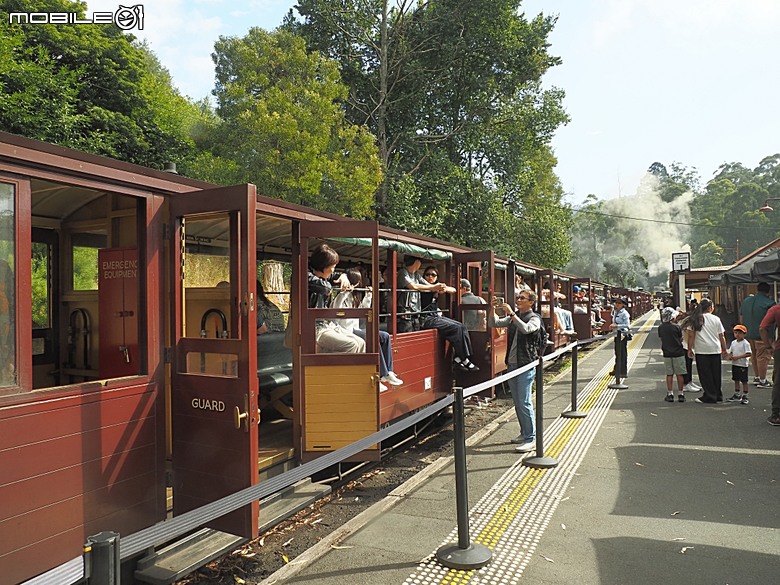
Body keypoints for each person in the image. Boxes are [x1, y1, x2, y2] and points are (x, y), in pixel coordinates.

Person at [396, 257, 479, 372]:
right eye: (428, 274)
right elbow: (414, 286)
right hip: (418, 317)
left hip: (422, 316)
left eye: (433, 275)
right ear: (417, 262)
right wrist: (434, 287)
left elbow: (450, 289)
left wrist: (441, 287)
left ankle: (462, 358)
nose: (430, 277)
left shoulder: (417, 276)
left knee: (461, 326)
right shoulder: (403, 273)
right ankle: (462, 359)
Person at [489, 290, 543, 453]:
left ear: (531, 302)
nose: (518, 300)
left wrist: (512, 314)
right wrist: (492, 309)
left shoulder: (534, 318)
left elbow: (527, 329)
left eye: (522, 298)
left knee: (524, 402)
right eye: (517, 297)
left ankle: (531, 438)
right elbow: (494, 323)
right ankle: (524, 432)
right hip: (512, 365)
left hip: (525, 364)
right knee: (518, 402)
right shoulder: (514, 317)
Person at [332, 267, 404, 391]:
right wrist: (344, 292)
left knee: (385, 336)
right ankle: (382, 374)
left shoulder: (354, 297)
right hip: (344, 330)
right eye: (356, 281)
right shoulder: (341, 296)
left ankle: (389, 372)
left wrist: (368, 295)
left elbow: (363, 312)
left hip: (355, 328)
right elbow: (336, 309)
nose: (358, 284)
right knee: (373, 337)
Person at [308, 242, 366, 354]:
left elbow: (336, 275)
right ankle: (335, 370)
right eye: (333, 267)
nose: (333, 270)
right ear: (324, 266)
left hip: (327, 325)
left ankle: (356, 371)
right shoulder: (305, 275)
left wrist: (343, 276)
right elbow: (324, 287)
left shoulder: (322, 275)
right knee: (351, 345)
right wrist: (336, 284)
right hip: (314, 328)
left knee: (361, 343)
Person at [687, 298, 727, 404]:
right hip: (715, 349)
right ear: (710, 308)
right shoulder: (716, 319)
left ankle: (709, 395)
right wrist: (724, 349)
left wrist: (690, 349)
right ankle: (718, 394)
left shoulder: (695, 319)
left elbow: (691, 335)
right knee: (716, 374)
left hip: (702, 350)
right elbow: (721, 335)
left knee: (705, 374)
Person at [739, 282, 774, 388]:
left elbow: (741, 317)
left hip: (748, 333)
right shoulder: (769, 303)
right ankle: (763, 380)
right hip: (763, 334)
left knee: (753, 355)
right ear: (768, 291)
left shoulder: (746, 301)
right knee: (763, 356)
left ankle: (757, 376)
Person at [658, 307, 686, 403]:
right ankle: (681, 394)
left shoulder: (661, 328)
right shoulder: (677, 327)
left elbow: (661, 339)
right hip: (678, 352)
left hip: (667, 353)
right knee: (679, 374)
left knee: (669, 374)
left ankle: (670, 394)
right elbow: (681, 339)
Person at [758, 305, 780, 426]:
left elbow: (762, 328)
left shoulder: (776, 310)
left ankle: (776, 414)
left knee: (778, 381)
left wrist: (768, 346)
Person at [726, 325, 751, 404]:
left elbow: (748, 353)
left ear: (744, 334)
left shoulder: (745, 343)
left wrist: (738, 357)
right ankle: (737, 394)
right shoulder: (733, 343)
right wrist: (730, 356)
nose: (737, 335)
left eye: (739, 333)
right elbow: (730, 351)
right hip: (735, 364)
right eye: (736, 333)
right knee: (736, 379)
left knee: (744, 380)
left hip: (742, 364)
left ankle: (745, 395)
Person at [609, 297, 631, 378]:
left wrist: (617, 325)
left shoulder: (625, 313)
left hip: (622, 335)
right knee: (617, 352)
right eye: (616, 303)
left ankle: (623, 371)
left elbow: (628, 325)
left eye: (619, 303)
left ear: (623, 305)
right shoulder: (615, 311)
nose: (617, 304)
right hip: (616, 334)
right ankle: (617, 369)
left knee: (622, 353)